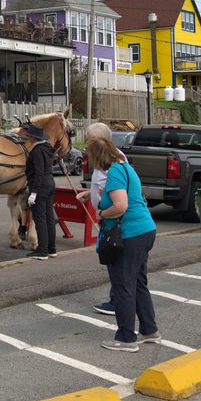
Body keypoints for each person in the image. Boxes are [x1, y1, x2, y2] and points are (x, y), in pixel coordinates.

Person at [88, 136, 159, 351]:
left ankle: (126, 338)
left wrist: (101, 212)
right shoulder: (126, 167)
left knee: (123, 285)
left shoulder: (115, 172)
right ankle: (149, 329)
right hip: (145, 230)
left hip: (130, 235)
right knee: (137, 282)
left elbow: (120, 206)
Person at [77, 122, 119, 315]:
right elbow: (106, 186)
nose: (87, 145)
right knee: (112, 261)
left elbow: (120, 198)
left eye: (89, 140)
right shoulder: (108, 159)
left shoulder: (112, 162)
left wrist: (101, 213)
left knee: (115, 261)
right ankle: (117, 298)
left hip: (113, 221)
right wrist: (90, 193)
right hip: (109, 218)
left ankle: (117, 301)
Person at [24, 123, 57, 260]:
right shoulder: (48, 148)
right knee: (49, 217)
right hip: (50, 183)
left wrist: (33, 193)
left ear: (33, 137)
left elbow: (39, 173)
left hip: (40, 185)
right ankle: (51, 248)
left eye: (29, 136)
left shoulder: (37, 151)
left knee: (40, 218)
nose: (28, 139)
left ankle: (42, 250)